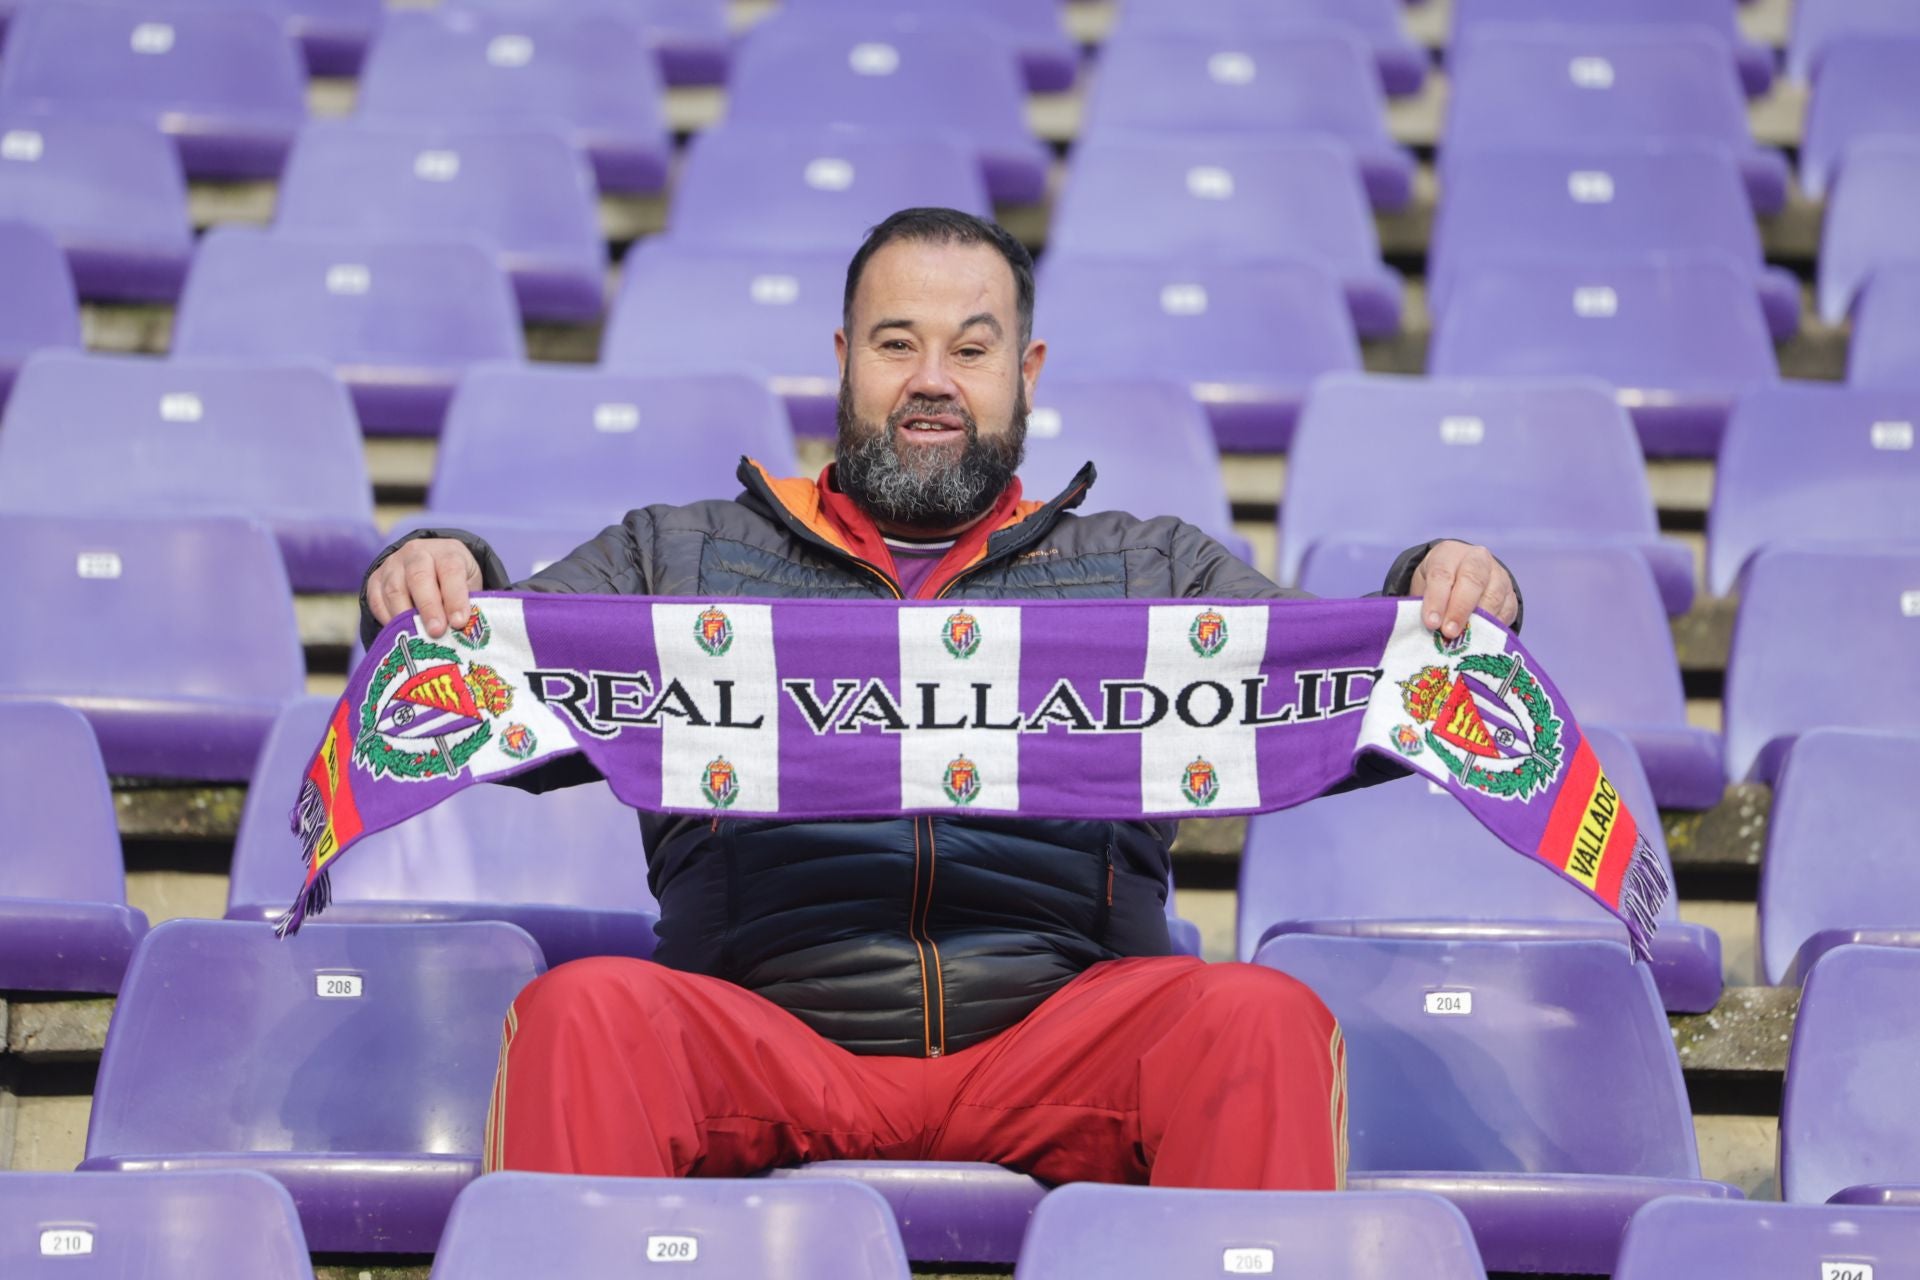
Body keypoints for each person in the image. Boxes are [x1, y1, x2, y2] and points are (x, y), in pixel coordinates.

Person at [361, 208, 1521, 1191]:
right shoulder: (679, 554)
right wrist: (429, 570)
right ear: (843, 358)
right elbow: (485, 661)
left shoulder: (1150, 570)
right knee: (586, 1012)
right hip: (761, 1029)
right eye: (896, 343)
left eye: (971, 348)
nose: (931, 381)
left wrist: (1445, 599)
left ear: (1028, 370)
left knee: (1257, 1016)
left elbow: (1336, 698)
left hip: (1066, 1036)